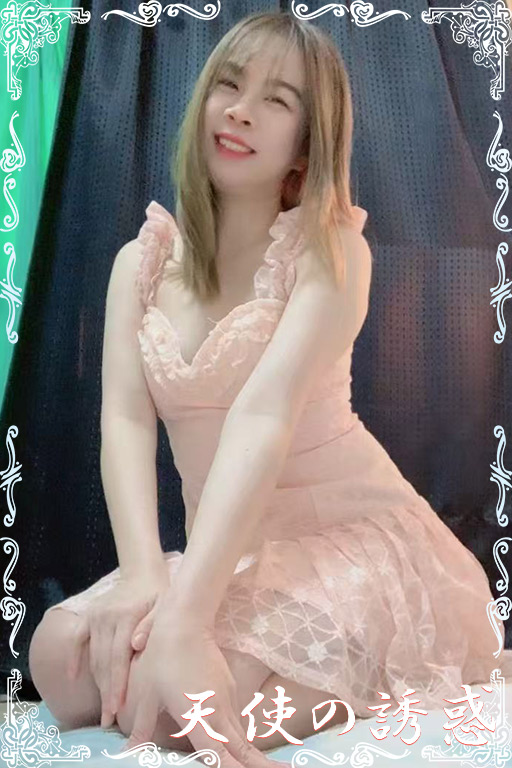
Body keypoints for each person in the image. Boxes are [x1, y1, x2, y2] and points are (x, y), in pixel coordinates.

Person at [28, 11, 509, 767]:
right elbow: (124, 420)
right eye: (229, 84)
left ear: (306, 142)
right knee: (58, 657)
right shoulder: (140, 264)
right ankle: (202, 629)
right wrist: (147, 576)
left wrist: (185, 622)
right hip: (235, 552)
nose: (242, 110)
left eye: (277, 100)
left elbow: (264, 416)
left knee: (182, 711)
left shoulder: (331, 252)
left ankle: (368, 653)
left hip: (350, 543)